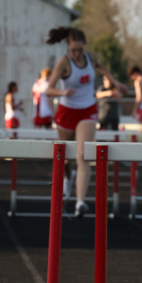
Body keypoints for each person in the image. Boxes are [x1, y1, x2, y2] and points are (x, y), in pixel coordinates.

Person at [43, 27, 127, 217]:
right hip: (66, 112)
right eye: (73, 50)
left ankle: (80, 202)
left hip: (87, 110)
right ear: (68, 48)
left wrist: (116, 83)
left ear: (84, 47)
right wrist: (63, 92)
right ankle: (68, 177)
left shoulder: (91, 58)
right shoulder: (64, 63)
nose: (77, 54)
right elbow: (49, 90)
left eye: (80, 50)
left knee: (83, 155)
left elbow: (103, 68)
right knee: (65, 158)